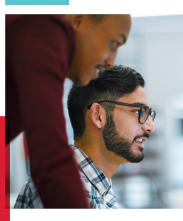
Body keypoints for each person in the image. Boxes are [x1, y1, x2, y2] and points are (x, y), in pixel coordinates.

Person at [5, 14, 131, 209]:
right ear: (78, 20)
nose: (110, 62)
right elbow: (49, 160)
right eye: (113, 44)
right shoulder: (45, 27)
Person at [14, 65, 156, 209]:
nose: (151, 127)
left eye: (149, 115)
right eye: (139, 112)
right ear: (98, 115)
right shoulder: (64, 192)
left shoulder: (97, 190)